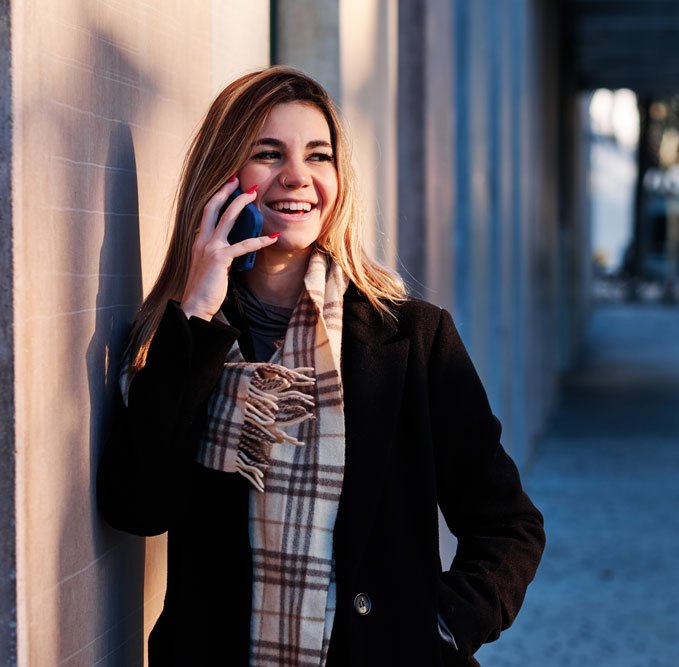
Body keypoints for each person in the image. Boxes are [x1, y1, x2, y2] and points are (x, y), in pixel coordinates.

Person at [97, 66, 545, 667]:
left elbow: (508, 524)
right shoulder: (179, 341)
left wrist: (438, 627)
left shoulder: (411, 337)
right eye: (267, 153)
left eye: (318, 156)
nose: (297, 177)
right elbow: (138, 506)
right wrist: (199, 308)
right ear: (224, 177)